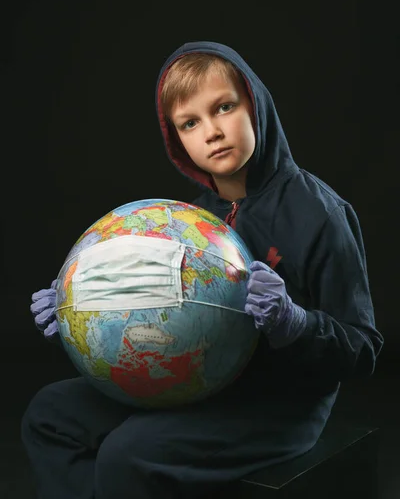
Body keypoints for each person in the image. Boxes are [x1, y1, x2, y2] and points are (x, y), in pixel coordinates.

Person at [22, 41, 384, 499]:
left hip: (276, 407)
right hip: (199, 384)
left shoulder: (320, 213)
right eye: (190, 123)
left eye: (224, 107)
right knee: (50, 414)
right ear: (177, 139)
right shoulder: (192, 221)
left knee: (127, 454)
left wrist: (295, 323)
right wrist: (82, 301)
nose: (211, 132)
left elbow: (364, 349)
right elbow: (155, 301)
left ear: (255, 105)